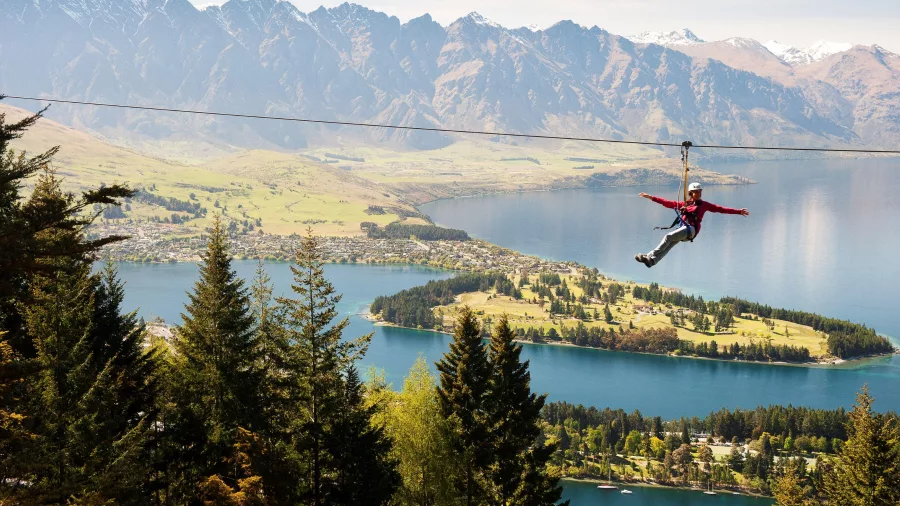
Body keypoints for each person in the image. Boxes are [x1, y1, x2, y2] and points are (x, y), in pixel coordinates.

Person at [635, 183, 749, 267]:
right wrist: (651, 197)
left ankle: (649, 256)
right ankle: (652, 261)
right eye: (696, 192)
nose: (699, 194)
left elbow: (721, 209)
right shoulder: (685, 204)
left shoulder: (704, 205)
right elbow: (668, 203)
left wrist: (738, 211)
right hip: (684, 230)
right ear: (691, 193)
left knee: (668, 237)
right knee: (669, 245)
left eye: (700, 192)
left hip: (691, 230)